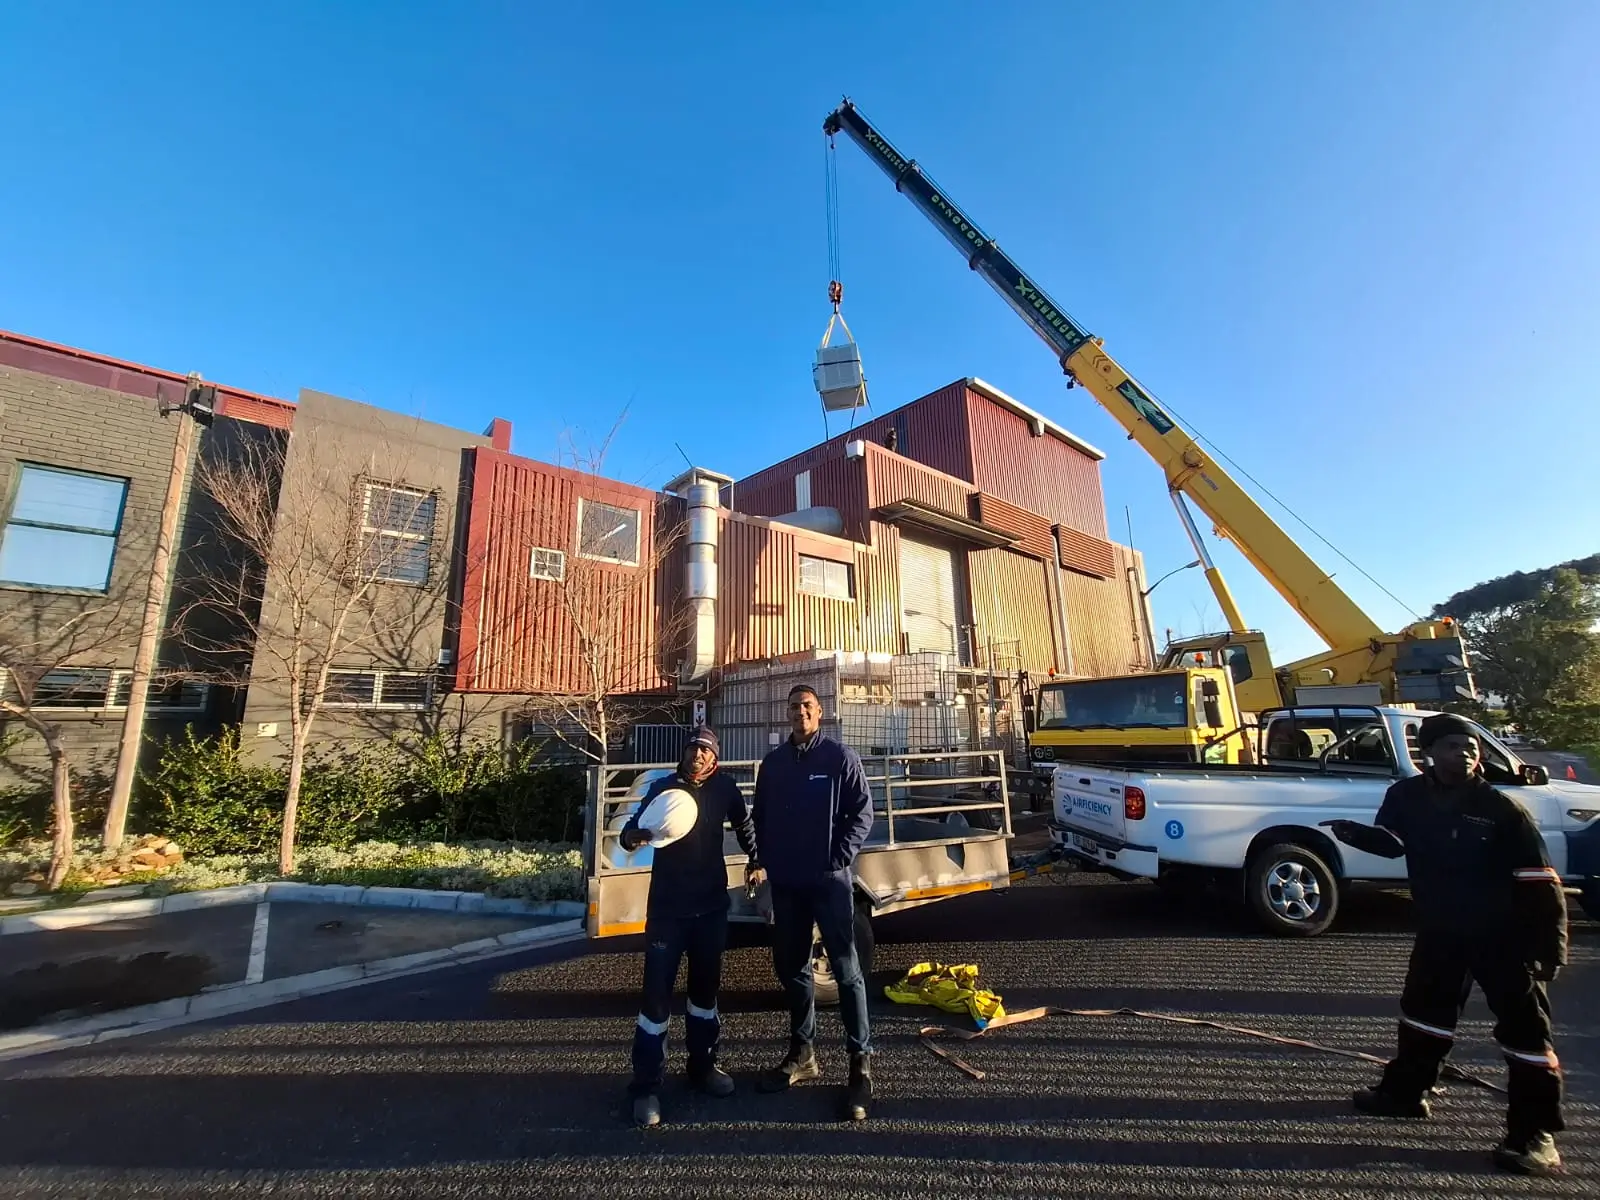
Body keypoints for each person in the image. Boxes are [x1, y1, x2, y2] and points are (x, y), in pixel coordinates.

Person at [1323, 712, 1568, 1177]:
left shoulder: (1501, 808)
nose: (1467, 752)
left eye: (1472, 746)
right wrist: (1354, 833)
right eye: (1454, 745)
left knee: (1525, 1034)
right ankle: (1405, 1093)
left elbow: (1539, 880)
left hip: (1504, 937)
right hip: (1442, 929)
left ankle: (1535, 1134)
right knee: (1422, 1013)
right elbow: (1394, 843)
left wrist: (1550, 945)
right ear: (1429, 753)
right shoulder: (1406, 796)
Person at [617, 726, 762, 1128]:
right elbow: (632, 830)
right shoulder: (664, 788)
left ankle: (703, 1067)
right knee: (656, 1001)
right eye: (693, 747)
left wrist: (755, 858)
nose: (698, 754)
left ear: (714, 758)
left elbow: (745, 825)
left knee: (704, 996)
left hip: (711, 910)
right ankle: (646, 1086)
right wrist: (633, 838)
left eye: (706, 750)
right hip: (667, 912)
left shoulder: (726, 789)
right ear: (685, 753)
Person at [752, 683, 876, 1120]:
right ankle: (803, 1055)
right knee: (793, 969)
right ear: (786, 715)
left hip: (829, 885)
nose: (800, 712)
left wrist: (836, 859)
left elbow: (863, 812)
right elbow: (759, 818)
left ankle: (860, 1067)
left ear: (820, 713)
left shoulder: (840, 758)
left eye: (807, 706)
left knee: (846, 971)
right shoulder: (773, 765)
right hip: (788, 886)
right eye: (793, 707)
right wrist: (764, 862)